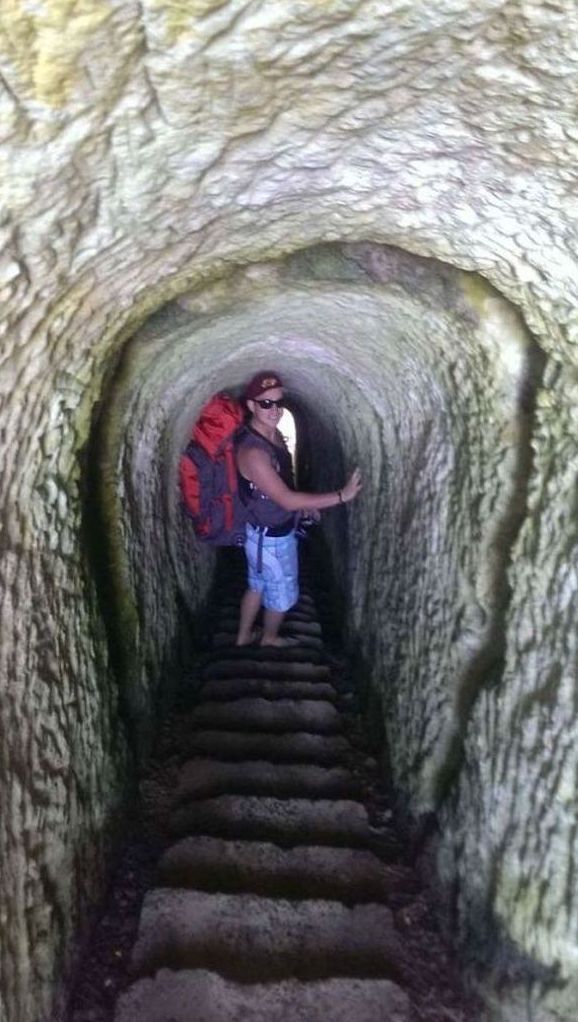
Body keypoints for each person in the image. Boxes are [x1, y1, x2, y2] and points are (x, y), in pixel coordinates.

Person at [235, 370, 362, 647]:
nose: (274, 410)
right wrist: (342, 495)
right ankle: (268, 638)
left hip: (261, 533)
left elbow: (284, 488)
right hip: (271, 540)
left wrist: (302, 509)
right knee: (281, 596)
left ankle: (243, 637)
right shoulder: (254, 453)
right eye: (265, 403)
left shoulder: (274, 435)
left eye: (278, 402)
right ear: (251, 406)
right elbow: (287, 499)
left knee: (256, 584)